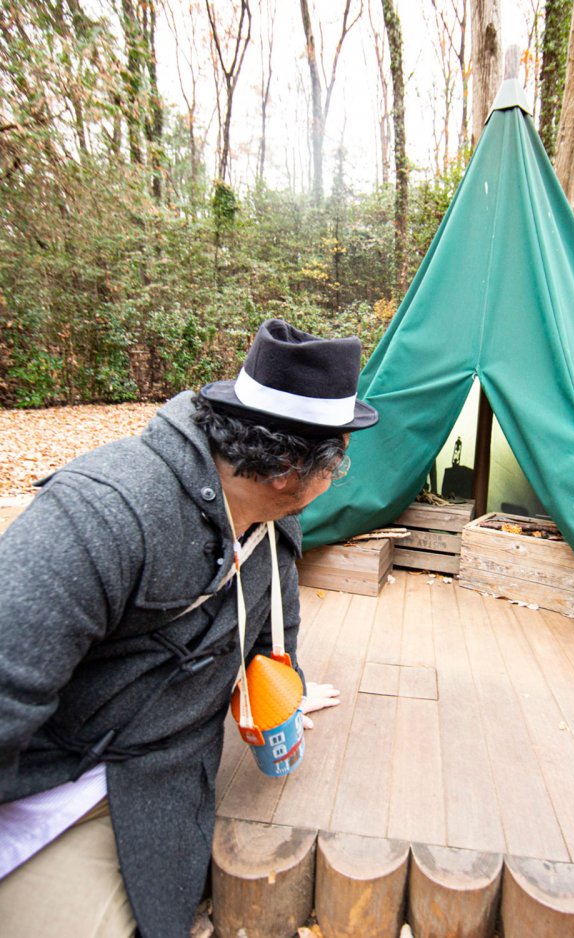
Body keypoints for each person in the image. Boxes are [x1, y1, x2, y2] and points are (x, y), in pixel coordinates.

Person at [0, 319, 379, 937]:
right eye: (335, 461)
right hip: (40, 778)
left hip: (154, 784)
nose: (335, 477)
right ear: (289, 468)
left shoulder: (277, 526)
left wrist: (285, 691)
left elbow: (271, 638)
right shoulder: (104, 509)